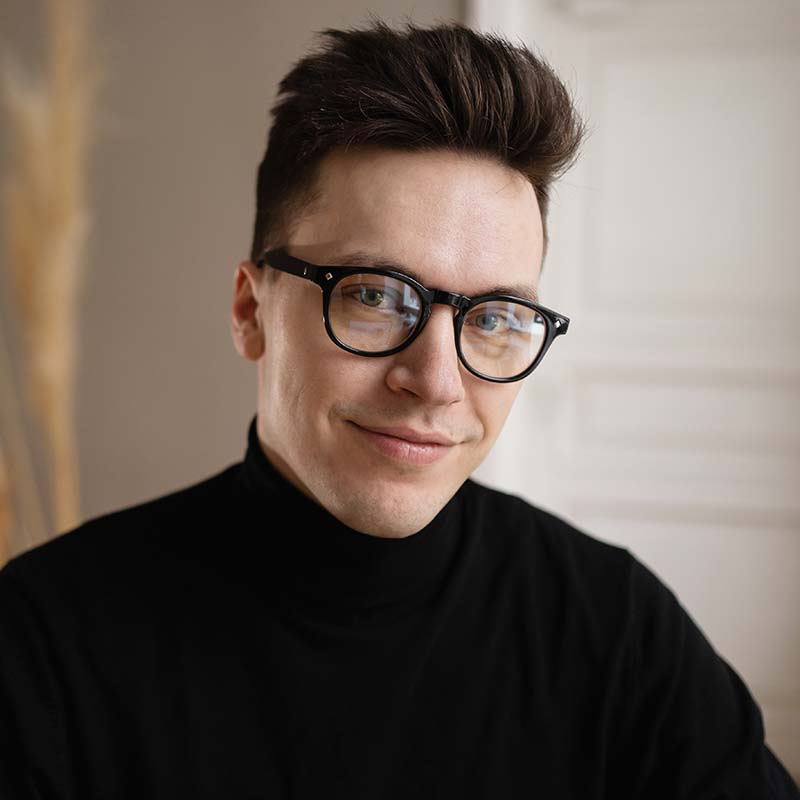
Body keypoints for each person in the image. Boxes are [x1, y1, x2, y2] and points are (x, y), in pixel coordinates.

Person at [0, 17, 797, 800]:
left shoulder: (614, 628)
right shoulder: (43, 639)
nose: (437, 382)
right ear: (251, 311)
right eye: (376, 296)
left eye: (494, 317)